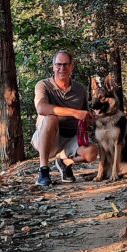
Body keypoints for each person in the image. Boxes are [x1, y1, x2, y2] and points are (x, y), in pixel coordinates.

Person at [32, 50, 98, 187]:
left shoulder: (80, 89)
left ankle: (64, 162)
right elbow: (41, 108)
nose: (62, 68)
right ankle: (43, 171)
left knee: (92, 152)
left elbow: (84, 114)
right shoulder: (43, 85)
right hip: (48, 137)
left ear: (71, 67)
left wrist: (94, 118)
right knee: (51, 118)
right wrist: (73, 112)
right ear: (53, 66)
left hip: (72, 138)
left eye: (66, 65)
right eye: (58, 65)